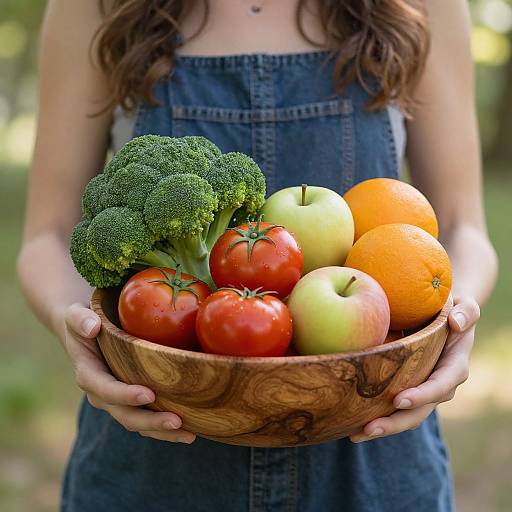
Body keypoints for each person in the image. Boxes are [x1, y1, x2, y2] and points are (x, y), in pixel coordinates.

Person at [17, 1, 497, 511]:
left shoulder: (425, 6)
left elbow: (464, 225)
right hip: (156, 439)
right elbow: (47, 234)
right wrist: (81, 332)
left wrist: (457, 318)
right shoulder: (94, 6)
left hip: (373, 445)